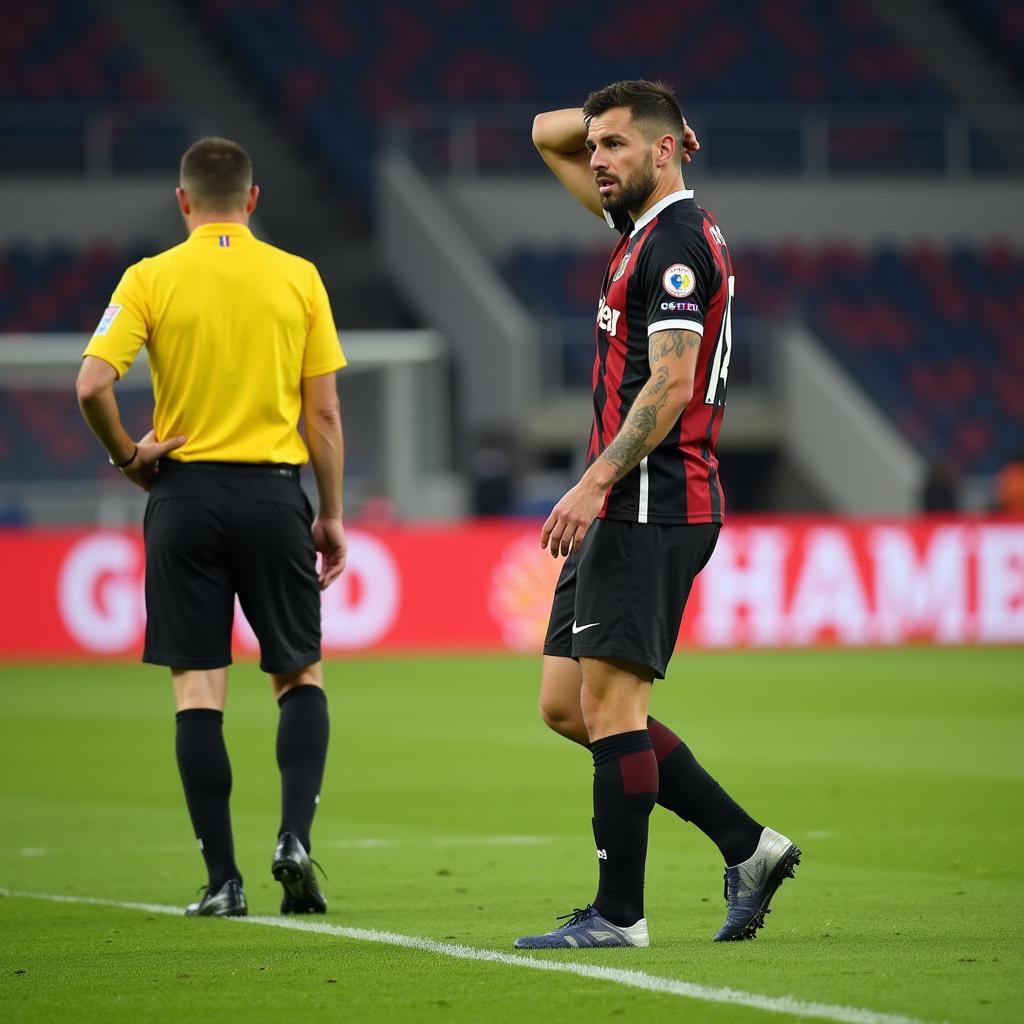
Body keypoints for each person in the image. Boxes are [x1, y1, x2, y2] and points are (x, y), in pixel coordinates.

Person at [515, 81, 799, 950]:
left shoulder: (673, 244)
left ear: (668, 150)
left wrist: (595, 482)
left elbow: (671, 382)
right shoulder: (637, 228)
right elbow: (542, 132)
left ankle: (620, 915)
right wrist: (633, 117)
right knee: (569, 704)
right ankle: (749, 848)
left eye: (615, 147)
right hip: (628, 502)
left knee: (611, 704)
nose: (594, 159)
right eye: (595, 146)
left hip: (650, 499)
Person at [76, 137, 348, 918]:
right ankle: (294, 840)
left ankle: (222, 882)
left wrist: (128, 455)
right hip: (273, 494)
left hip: (184, 498)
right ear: (254, 199)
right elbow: (323, 412)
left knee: (199, 688)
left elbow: (93, 382)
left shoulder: (149, 278)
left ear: (183, 201)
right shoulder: (298, 278)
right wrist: (328, 513)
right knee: (299, 675)